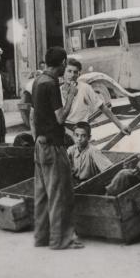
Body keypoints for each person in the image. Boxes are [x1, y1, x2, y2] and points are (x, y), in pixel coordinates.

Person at [32, 46, 84, 250]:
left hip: (40, 144)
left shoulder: (38, 81)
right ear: (62, 63)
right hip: (53, 145)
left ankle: (42, 237)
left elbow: (34, 115)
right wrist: (71, 96)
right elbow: (60, 118)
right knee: (60, 192)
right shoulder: (51, 84)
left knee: (42, 193)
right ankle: (61, 240)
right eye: (66, 64)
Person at [61, 58, 125, 138]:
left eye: (75, 72)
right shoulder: (57, 91)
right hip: (63, 129)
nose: (72, 75)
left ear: (79, 74)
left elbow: (103, 107)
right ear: (63, 72)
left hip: (80, 129)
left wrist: (120, 126)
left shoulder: (85, 88)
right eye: (69, 71)